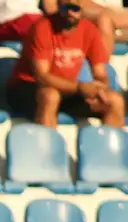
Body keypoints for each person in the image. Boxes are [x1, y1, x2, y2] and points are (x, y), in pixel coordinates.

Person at [7, 0, 125, 128]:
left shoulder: (89, 30)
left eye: (74, 8)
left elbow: (100, 73)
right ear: (58, 7)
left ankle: (108, 146)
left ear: (82, 9)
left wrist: (99, 89)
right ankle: (47, 145)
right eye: (65, 8)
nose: (70, 13)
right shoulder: (43, 27)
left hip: (67, 89)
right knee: (50, 96)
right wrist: (79, 88)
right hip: (27, 87)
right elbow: (42, 76)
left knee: (114, 101)